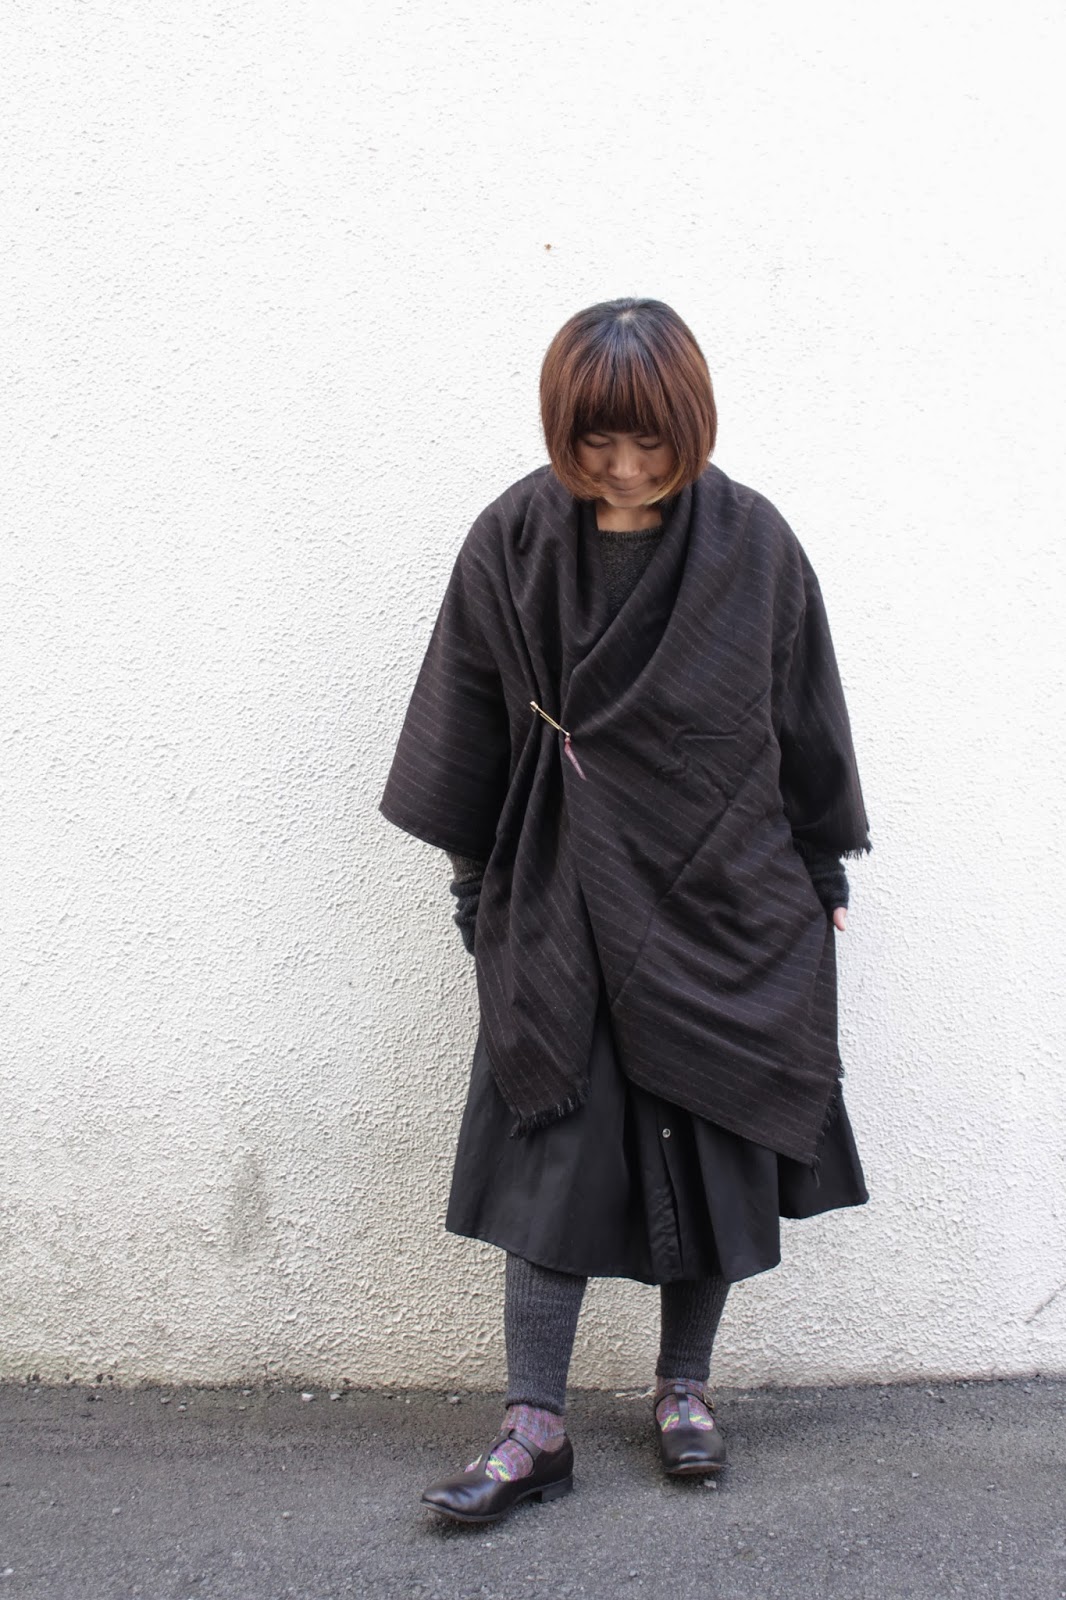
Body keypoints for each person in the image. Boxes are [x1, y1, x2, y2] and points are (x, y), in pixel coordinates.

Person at [379, 298, 871, 1526]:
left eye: (650, 439)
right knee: (551, 1149)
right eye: (596, 440)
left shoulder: (754, 543)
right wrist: (478, 887)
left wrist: (822, 873)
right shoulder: (512, 539)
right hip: (564, 891)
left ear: (689, 423)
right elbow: (467, 714)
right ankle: (532, 1424)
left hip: (725, 894)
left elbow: (803, 713)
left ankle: (684, 1387)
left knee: (713, 1135)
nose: (625, 466)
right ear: (563, 429)